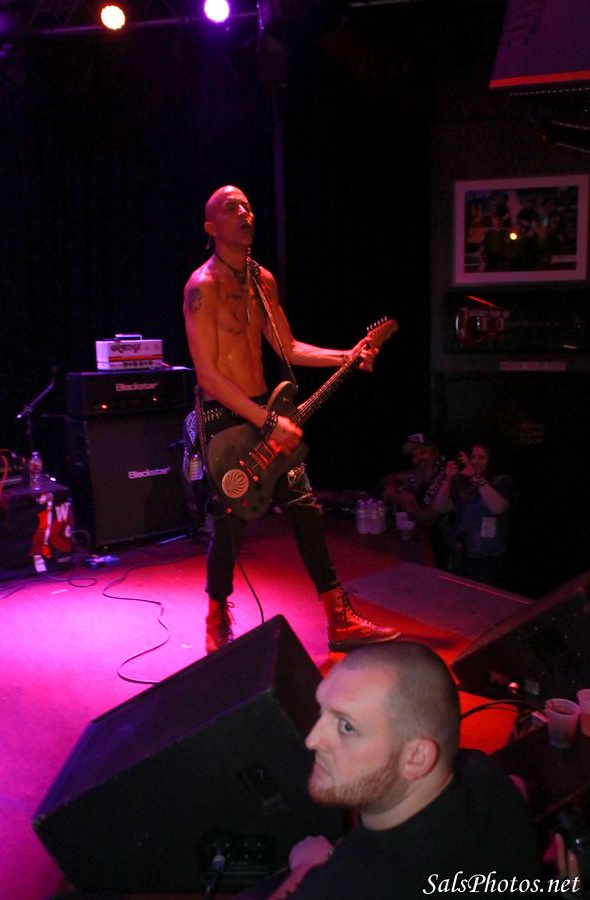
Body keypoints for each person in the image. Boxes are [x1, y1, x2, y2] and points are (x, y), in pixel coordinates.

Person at [183, 184, 400, 654]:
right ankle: (216, 616)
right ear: (211, 227)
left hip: (264, 408)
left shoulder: (262, 281)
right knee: (232, 519)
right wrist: (265, 422)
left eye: (247, 206)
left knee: (304, 506)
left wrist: (347, 355)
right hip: (224, 415)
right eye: (232, 208)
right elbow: (208, 375)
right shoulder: (202, 287)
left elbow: (290, 347)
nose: (245, 213)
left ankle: (338, 616)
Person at [263, 642, 544, 898]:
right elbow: (516, 785)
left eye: (347, 727)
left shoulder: (348, 884)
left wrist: (307, 864)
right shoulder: (482, 771)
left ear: (416, 757)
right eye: (321, 712)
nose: (312, 740)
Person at [433, 442, 516, 589]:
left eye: (481, 457)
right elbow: (440, 507)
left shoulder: (502, 481)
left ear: (490, 460)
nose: (476, 461)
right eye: (473, 457)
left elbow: (498, 508)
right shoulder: (465, 484)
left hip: (489, 559)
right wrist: (448, 480)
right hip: (463, 557)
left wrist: (476, 477)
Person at [380, 433, 449, 566]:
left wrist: (399, 501)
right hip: (420, 543)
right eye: (415, 456)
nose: (419, 459)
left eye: (423, 453)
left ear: (436, 454)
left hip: (442, 550)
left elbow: (428, 519)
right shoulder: (416, 474)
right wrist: (402, 490)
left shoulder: (448, 477)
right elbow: (388, 478)